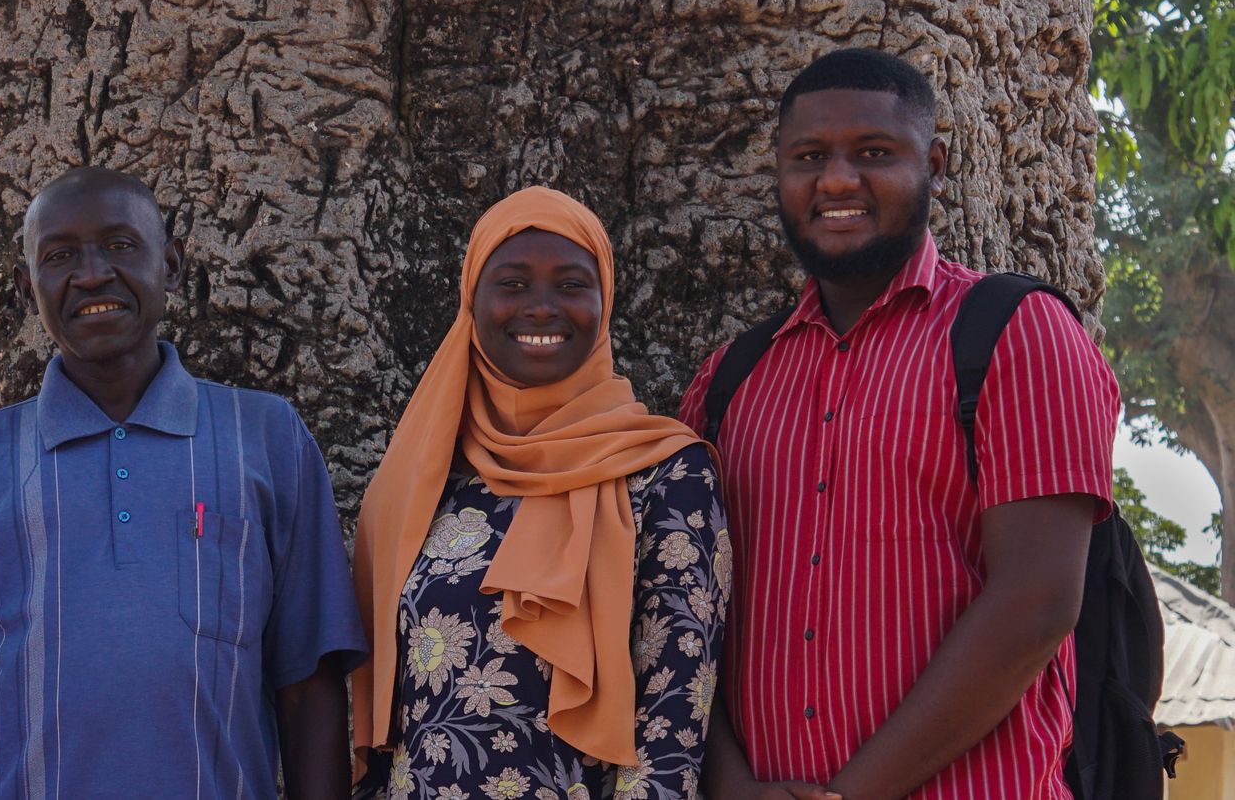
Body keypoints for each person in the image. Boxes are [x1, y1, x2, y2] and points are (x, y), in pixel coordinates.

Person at [678, 48, 1119, 799]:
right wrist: (733, 789)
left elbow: (1037, 602)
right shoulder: (726, 383)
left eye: (874, 153)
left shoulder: (1017, 333)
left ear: (936, 165)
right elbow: (682, 613)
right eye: (809, 156)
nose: (838, 180)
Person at [0, 167, 367, 800]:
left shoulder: (267, 438)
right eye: (60, 256)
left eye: (121, 245)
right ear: (28, 289)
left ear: (172, 265)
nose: (93, 272)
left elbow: (308, 684)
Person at [351, 186, 728, 800]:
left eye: (572, 284)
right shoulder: (425, 476)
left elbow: (672, 730)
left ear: (604, 303)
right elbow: (386, 727)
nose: (543, 308)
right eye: (514, 284)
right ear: (471, 301)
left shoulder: (667, 474)